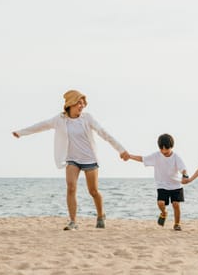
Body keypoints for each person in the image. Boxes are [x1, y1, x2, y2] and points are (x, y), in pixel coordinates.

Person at [12, 90, 129, 230]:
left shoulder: (87, 118)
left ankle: (100, 215)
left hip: (89, 158)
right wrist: (21, 133)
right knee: (71, 188)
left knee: (93, 191)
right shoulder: (59, 120)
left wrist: (121, 150)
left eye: (82, 103)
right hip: (71, 159)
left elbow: (104, 133)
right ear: (70, 104)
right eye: (78, 103)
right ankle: (73, 222)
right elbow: (41, 125)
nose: (81, 106)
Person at [126, 133, 188, 231]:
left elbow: (183, 169)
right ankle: (163, 213)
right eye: (161, 149)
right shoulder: (156, 156)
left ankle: (177, 224)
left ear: (171, 146)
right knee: (160, 203)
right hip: (162, 185)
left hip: (176, 185)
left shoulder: (176, 157)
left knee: (176, 205)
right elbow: (143, 159)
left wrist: (185, 176)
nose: (164, 151)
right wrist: (129, 156)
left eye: (166, 149)